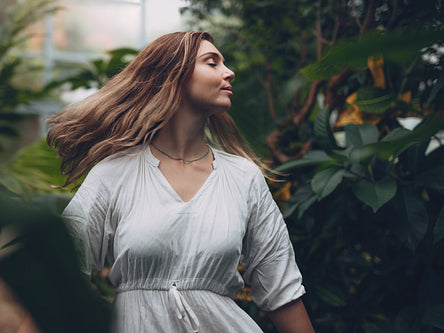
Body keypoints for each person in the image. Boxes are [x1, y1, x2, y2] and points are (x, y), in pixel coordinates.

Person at [26, 31, 314, 333]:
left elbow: (282, 291)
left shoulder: (244, 177)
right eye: (212, 62)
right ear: (173, 74)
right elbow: (59, 280)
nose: (229, 72)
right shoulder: (114, 174)